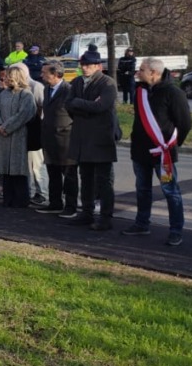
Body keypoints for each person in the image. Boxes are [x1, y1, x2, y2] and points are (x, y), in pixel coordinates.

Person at [123, 58, 192, 246]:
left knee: (170, 191)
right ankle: (142, 223)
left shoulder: (174, 93)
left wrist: (173, 144)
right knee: (142, 190)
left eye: (142, 69)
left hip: (164, 154)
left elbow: (185, 123)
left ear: (154, 72)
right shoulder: (140, 91)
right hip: (140, 151)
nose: (138, 72)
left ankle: (176, 230)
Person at [64, 49, 119, 230]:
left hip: (101, 136)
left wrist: (80, 104)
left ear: (98, 66)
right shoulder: (77, 82)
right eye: (83, 65)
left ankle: (105, 217)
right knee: (85, 177)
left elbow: (101, 106)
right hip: (82, 135)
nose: (85, 68)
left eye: (89, 65)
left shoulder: (107, 82)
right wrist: (86, 105)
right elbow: (68, 104)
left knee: (103, 180)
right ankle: (86, 212)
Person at [0, 63, 37, 208]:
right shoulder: (3, 94)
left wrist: (6, 127)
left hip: (18, 135)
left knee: (18, 168)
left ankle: (21, 200)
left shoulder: (26, 95)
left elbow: (24, 114)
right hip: (3, 136)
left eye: (9, 76)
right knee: (6, 169)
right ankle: (8, 198)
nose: (6, 78)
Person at [37, 61, 79, 216]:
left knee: (69, 176)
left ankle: (71, 206)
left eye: (44, 72)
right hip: (49, 139)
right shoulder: (48, 89)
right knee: (53, 173)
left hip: (66, 140)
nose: (42, 75)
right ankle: (55, 203)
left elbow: (75, 114)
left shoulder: (68, 90)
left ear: (55, 74)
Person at [9, 62, 48, 205]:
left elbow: (43, 106)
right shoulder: (14, 89)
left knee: (36, 164)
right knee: (26, 165)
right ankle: (29, 191)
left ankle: (42, 192)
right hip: (22, 132)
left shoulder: (35, 87)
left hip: (34, 131)